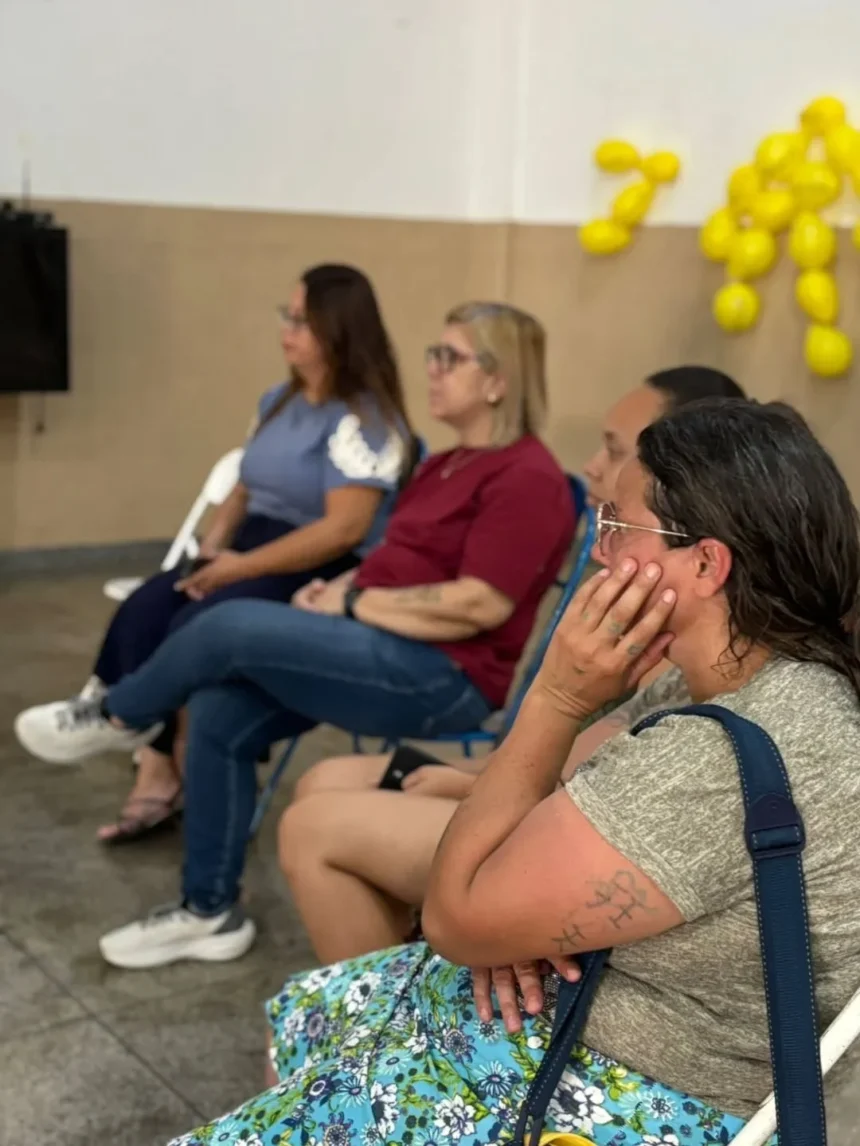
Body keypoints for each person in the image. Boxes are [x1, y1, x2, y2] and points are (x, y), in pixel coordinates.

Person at [165, 397, 860, 1146]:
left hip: (621, 1092)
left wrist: (557, 698)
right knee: (317, 1003)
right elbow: (577, 798)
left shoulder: (719, 753)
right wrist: (507, 922)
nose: (599, 553)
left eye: (619, 528)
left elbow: (457, 917)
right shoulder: (756, 670)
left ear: (705, 563)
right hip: (585, 1016)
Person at [16, 301, 576, 968]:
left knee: (226, 625)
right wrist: (335, 591)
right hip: (383, 647)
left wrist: (355, 601)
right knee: (221, 710)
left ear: (497, 379)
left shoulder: (529, 478)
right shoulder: (446, 463)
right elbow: (395, 561)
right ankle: (209, 911)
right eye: (433, 352)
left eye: (449, 357)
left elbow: (477, 604)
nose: (431, 368)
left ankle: (120, 714)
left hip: (440, 678)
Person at [279, 365, 746, 964]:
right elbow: (583, 748)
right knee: (322, 781)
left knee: (316, 822)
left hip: (551, 794)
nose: (595, 469)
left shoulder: (689, 649)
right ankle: (399, 979)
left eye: (614, 452)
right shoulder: (666, 628)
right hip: (539, 774)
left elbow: (587, 775)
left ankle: (394, 1004)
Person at [15, 263, 414, 844]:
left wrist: (239, 568)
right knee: (147, 608)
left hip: (312, 562)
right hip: (251, 542)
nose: (287, 329)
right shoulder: (278, 400)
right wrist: (212, 547)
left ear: (339, 328)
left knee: (195, 626)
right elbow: (245, 485)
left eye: (301, 319)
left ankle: (143, 743)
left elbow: (342, 532)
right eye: (287, 315)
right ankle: (135, 732)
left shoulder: (367, 419)